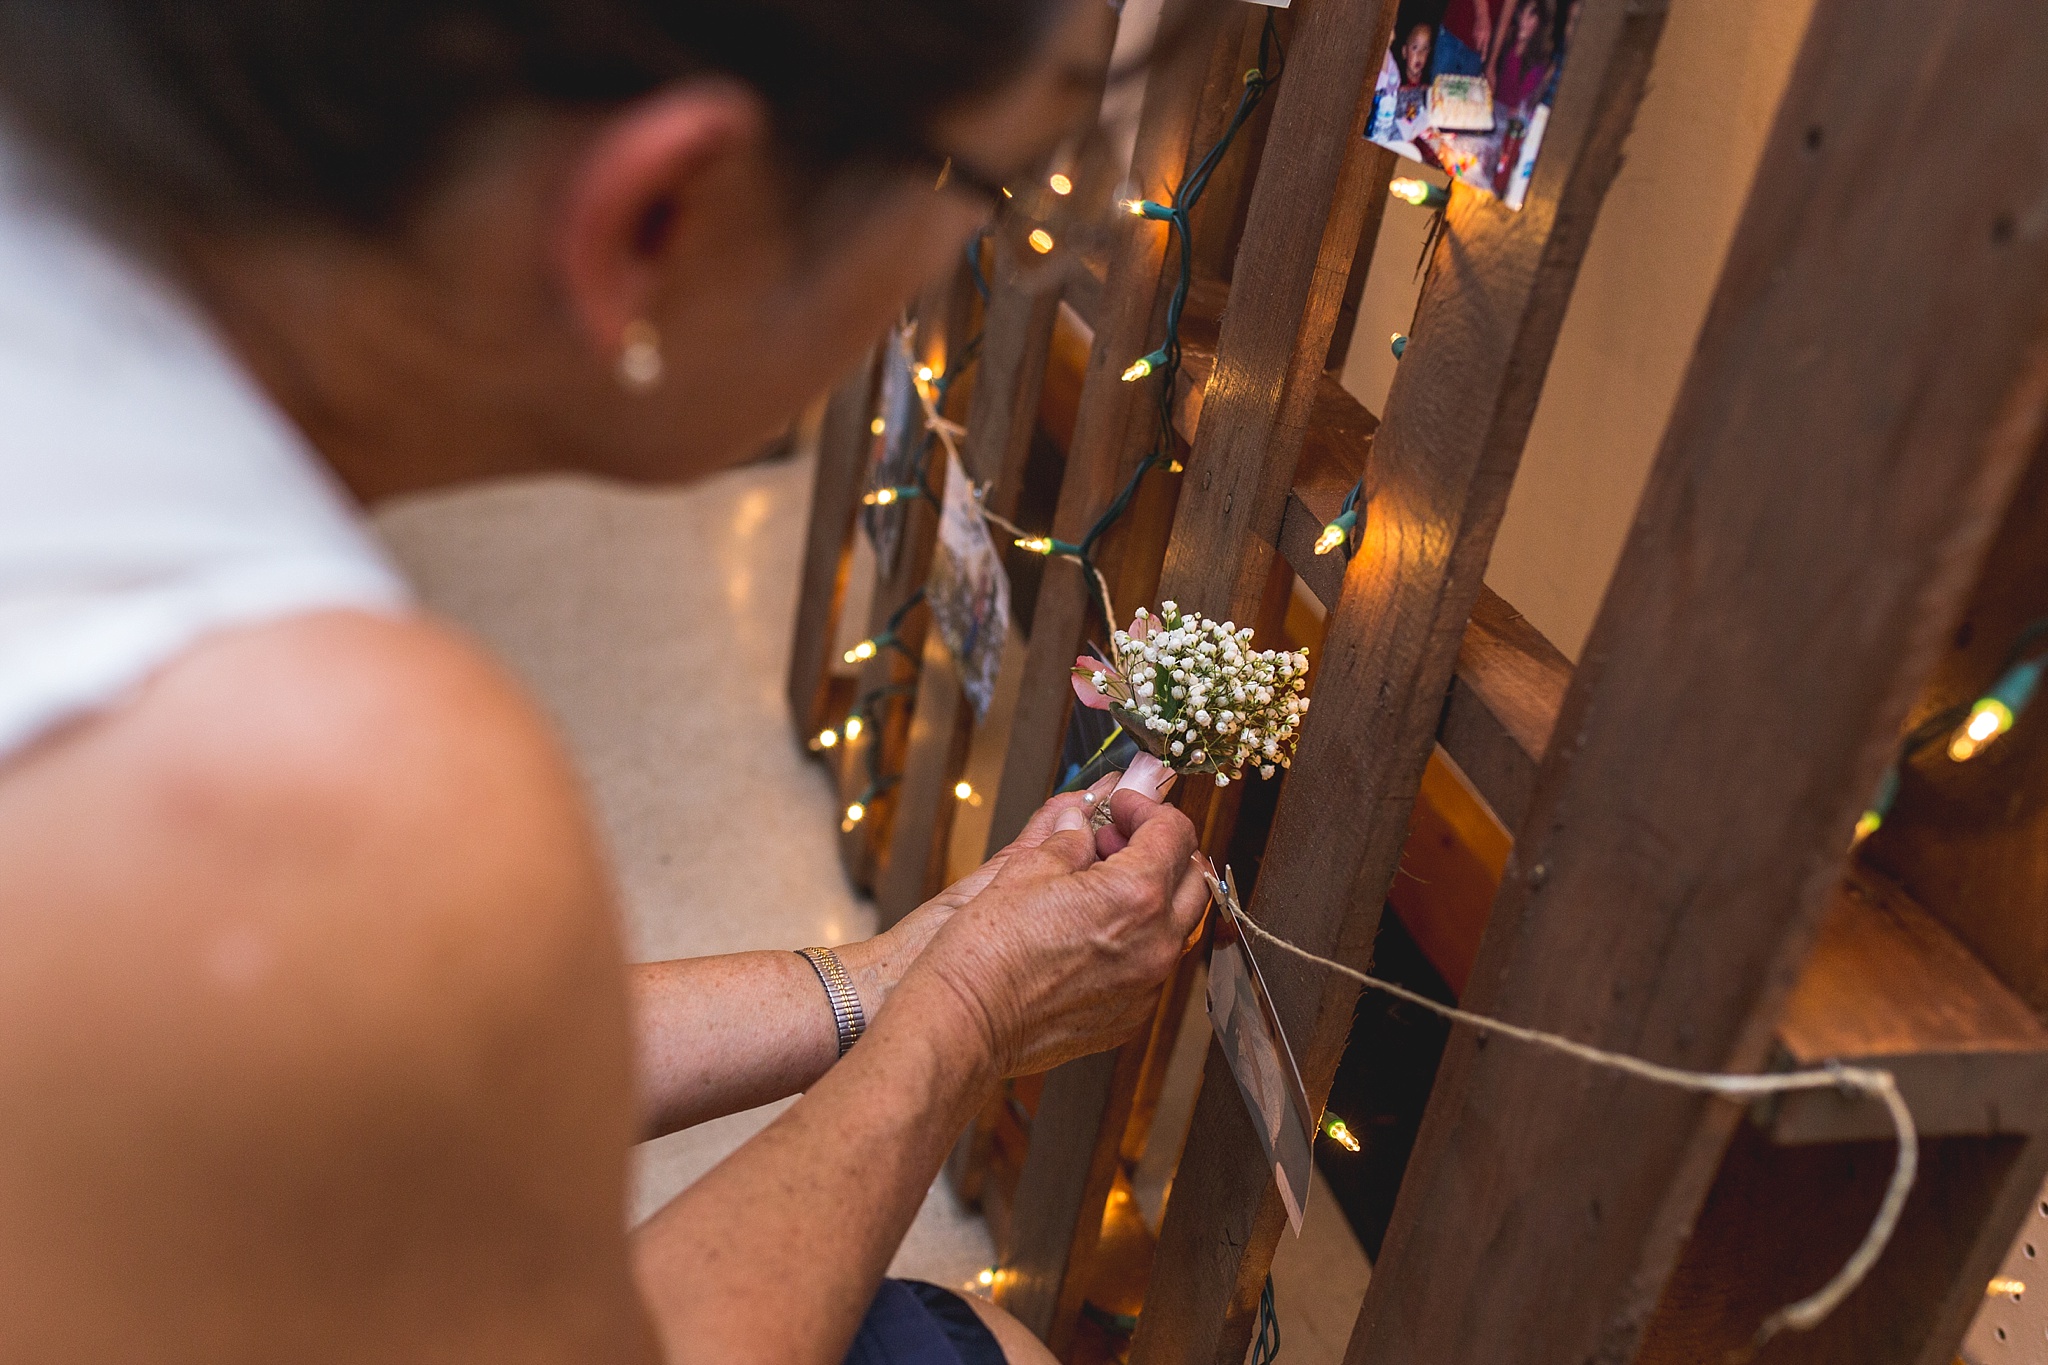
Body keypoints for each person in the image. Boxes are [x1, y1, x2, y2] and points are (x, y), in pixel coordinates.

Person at [0, 3, 1216, 1363]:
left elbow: (355, 1064)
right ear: (659, 215)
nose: (1008, 233)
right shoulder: (306, 772)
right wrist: (969, 1017)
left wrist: (887, 977)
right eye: (989, 183)